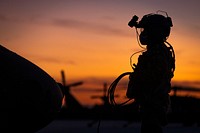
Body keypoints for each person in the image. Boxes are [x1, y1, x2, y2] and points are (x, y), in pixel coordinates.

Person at [126, 12, 175, 133]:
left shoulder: (158, 54)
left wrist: (136, 84)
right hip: (151, 108)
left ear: (154, 32)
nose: (142, 33)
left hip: (153, 108)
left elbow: (151, 81)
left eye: (146, 30)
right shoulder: (157, 52)